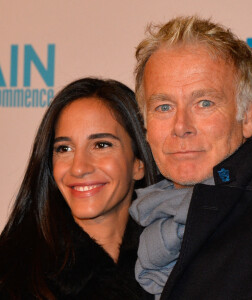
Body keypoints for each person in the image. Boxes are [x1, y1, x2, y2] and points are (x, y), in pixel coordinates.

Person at [129, 16, 252, 299]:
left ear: (246, 116)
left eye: (204, 103)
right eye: (163, 106)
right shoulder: (138, 222)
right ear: (146, 124)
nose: (181, 126)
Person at [0, 77, 156, 299]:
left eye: (101, 145)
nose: (79, 168)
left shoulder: (178, 266)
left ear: (138, 163)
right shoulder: (10, 275)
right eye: (64, 148)